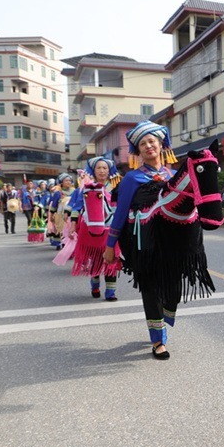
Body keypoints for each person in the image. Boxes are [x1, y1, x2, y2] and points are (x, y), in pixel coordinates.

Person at [103, 121, 181, 360]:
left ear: (162, 145)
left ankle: (164, 317)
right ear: (137, 151)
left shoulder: (175, 176)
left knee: (172, 290)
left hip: (172, 243)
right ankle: (158, 340)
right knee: (151, 288)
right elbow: (120, 213)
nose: (148, 146)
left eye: (152, 141)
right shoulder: (131, 179)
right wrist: (110, 245)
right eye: (143, 143)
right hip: (142, 243)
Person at [69, 157, 121, 300]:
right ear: (94, 170)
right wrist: (73, 224)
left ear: (109, 171)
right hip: (91, 229)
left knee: (111, 259)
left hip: (111, 228)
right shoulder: (87, 188)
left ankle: (111, 293)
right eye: (99, 168)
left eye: (105, 168)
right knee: (96, 258)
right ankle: (95, 285)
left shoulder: (116, 188)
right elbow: (77, 207)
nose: (102, 171)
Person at [47, 174, 75, 250]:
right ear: (61, 182)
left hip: (72, 215)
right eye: (66, 180)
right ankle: (65, 248)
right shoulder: (58, 193)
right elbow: (54, 205)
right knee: (63, 232)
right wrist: (52, 215)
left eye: (69, 180)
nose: (68, 182)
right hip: (60, 216)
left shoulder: (74, 191)